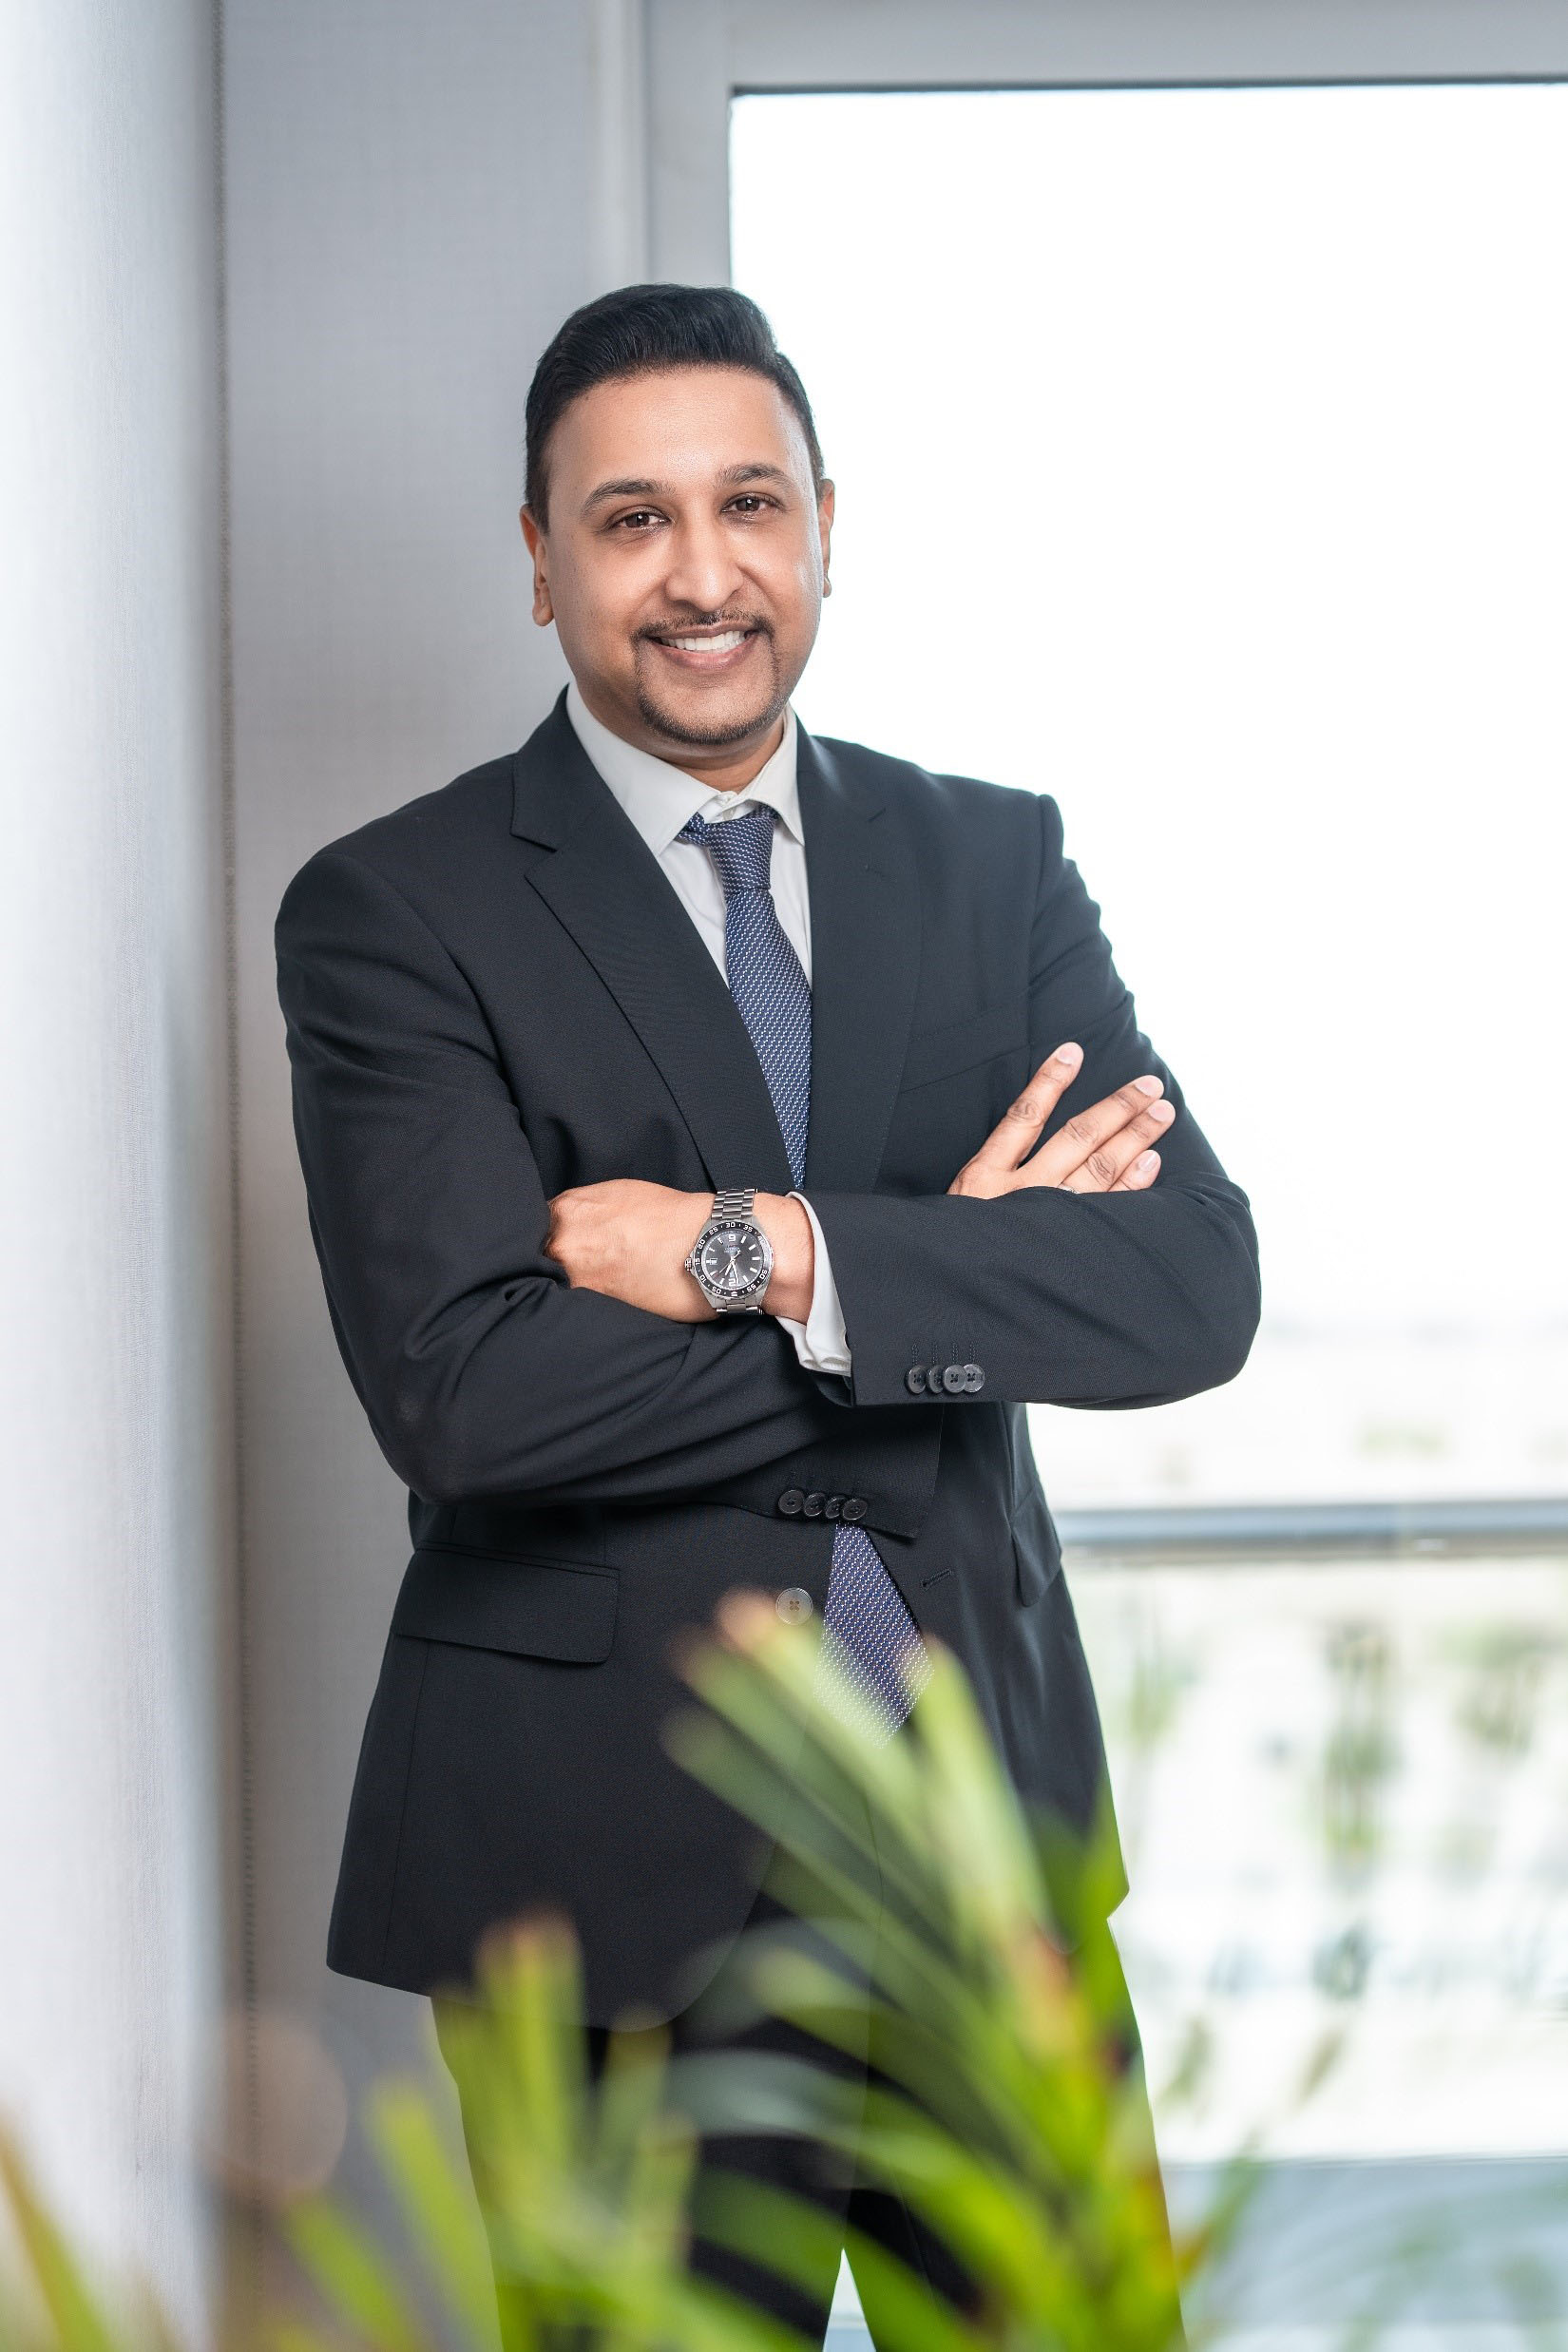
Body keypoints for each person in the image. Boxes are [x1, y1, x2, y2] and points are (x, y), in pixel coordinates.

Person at [275, 282, 1259, 2343]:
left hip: (986, 1860)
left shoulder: (988, 863)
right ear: (539, 560)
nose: (703, 575)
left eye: (749, 504)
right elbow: (473, 1397)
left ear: (824, 525)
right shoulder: (398, 910)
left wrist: (780, 1254)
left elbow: (1186, 1285)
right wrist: (951, 1270)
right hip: (605, 1883)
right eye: (631, 519)